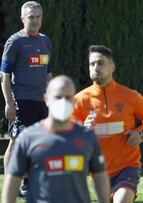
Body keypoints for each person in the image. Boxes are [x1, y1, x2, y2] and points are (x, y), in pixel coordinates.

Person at [1, 75, 110, 203]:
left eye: (68, 97)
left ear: (74, 102)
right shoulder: (28, 138)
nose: (63, 102)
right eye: (58, 97)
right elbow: (13, 180)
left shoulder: (87, 137)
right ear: (46, 99)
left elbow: (100, 176)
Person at [72, 45, 143, 203]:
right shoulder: (79, 100)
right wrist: (83, 129)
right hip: (97, 171)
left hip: (128, 166)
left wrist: (140, 133)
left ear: (112, 66)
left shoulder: (130, 96)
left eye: (100, 63)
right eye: (92, 64)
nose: (96, 67)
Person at [1, 1, 53, 197]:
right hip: (21, 101)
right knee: (16, 142)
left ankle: (28, 185)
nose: (35, 21)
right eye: (31, 17)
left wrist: (53, 98)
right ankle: (10, 189)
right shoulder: (15, 42)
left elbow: (48, 72)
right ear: (22, 19)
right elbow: (4, 76)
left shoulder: (45, 41)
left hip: (42, 102)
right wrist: (9, 103)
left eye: (38, 17)